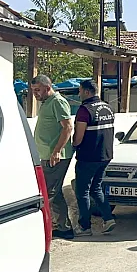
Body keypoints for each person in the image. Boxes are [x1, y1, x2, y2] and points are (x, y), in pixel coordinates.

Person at [31, 75, 76, 239]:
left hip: (56, 156)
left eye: (37, 90)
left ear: (47, 87)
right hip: (46, 155)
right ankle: (63, 227)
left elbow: (67, 127)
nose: (35, 94)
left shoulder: (58, 101)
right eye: (33, 90)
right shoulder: (46, 102)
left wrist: (57, 151)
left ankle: (53, 227)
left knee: (49, 193)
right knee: (53, 193)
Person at [71, 79, 116, 236]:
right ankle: (108, 219)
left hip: (88, 156)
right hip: (105, 156)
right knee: (96, 188)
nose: (79, 94)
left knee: (82, 192)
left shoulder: (85, 110)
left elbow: (79, 137)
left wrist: (73, 145)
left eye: (80, 90)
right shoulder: (108, 107)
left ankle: (85, 226)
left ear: (87, 92)